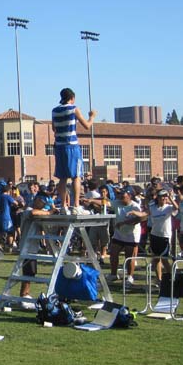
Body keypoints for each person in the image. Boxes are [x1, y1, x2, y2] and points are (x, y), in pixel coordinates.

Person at [51, 87, 96, 215]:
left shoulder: (54, 110)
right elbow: (87, 126)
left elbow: (54, 128)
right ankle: (76, 205)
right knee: (76, 176)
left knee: (63, 177)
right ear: (72, 98)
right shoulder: (73, 108)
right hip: (71, 145)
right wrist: (92, 116)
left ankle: (64, 207)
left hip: (59, 146)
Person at [106, 190, 146, 285]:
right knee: (113, 253)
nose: (121, 198)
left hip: (131, 235)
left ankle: (130, 277)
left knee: (129, 257)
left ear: (129, 196)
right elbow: (106, 203)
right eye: (120, 196)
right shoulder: (117, 203)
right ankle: (113, 274)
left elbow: (141, 218)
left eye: (123, 196)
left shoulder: (135, 206)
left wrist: (124, 223)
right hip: (119, 234)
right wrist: (90, 200)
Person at [149, 189, 178, 282]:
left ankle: (171, 277)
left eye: (165, 196)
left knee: (165, 259)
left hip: (165, 236)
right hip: (154, 235)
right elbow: (146, 210)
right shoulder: (152, 207)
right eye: (162, 196)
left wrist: (170, 197)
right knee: (156, 259)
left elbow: (177, 208)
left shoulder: (168, 207)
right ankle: (159, 279)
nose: (164, 198)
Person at [0, 184, 22, 250]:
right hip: (6, 217)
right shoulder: (7, 196)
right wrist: (19, 204)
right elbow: (15, 203)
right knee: (10, 231)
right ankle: (10, 246)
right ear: (8, 190)